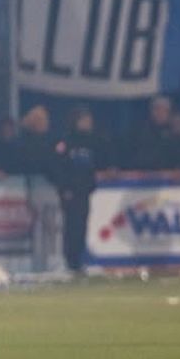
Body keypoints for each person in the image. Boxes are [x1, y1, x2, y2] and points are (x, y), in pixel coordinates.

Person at [56, 107, 114, 273]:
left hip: (84, 190)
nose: (88, 123)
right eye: (85, 120)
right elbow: (60, 168)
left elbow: (101, 159)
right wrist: (64, 188)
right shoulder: (66, 142)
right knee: (71, 226)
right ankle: (69, 260)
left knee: (82, 226)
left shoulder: (93, 141)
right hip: (70, 192)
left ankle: (78, 260)